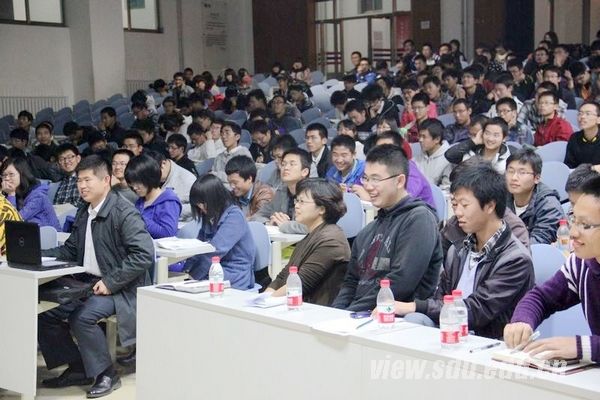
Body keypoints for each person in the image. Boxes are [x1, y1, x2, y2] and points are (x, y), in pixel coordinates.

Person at [37, 155, 154, 398]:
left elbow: (144, 254)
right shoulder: (85, 211)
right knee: (45, 313)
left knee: (82, 316)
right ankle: (78, 367)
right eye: (79, 180)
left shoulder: (123, 212)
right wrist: (37, 256)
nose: (82, 186)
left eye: (87, 180)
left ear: (106, 180)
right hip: (87, 284)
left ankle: (107, 374)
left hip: (121, 288)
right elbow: (70, 250)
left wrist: (110, 282)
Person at [377, 162, 534, 339]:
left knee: (413, 315)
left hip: (489, 342)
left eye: (464, 205)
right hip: (451, 332)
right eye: (455, 204)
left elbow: (477, 311)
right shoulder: (458, 250)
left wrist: (414, 306)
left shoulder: (515, 259)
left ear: (490, 206)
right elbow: (441, 300)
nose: (458, 212)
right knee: (409, 323)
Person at [331, 145, 442, 311]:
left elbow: (401, 282)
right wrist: (337, 313)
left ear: (399, 181)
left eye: (375, 179)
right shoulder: (368, 230)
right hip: (359, 315)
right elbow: (351, 282)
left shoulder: (419, 219)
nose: (368, 186)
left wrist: (352, 313)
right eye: (365, 178)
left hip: (396, 316)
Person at [504, 175, 600, 363]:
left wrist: (580, 347)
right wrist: (522, 321)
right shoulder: (581, 264)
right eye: (573, 220)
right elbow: (541, 297)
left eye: (585, 225)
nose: (573, 233)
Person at [265, 179, 350, 306]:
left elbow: (301, 283)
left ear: (322, 209)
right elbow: (283, 276)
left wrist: (266, 302)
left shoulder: (331, 240)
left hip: (320, 310)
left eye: (302, 202)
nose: (296, 206)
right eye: (297, 200)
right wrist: (262, 298)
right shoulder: (311, 235)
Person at [183, 175, 255, 289]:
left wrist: (192, 276)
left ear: (215, 199)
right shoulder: (209, 214)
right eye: (198, 205)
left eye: (203, 203)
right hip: (213, 269)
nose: (201, 208)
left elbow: (215, 251)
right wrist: (185, 271)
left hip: (234, 272)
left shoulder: (234, 216)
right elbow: (199, 247)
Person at [505, 148, 565, 244]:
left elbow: (538, 243)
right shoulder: (501, 196)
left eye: (522, 172)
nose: (514, 177)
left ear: (536, 178)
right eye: (510, 171)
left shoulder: (549, 206)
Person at [251, 148, 311, 234]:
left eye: (292, 164)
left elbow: (311, 226)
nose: (286, 168)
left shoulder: (312, 194)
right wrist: (269, 223)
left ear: (304, 172)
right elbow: (257, 216)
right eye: (283, 164)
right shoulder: (280, 192)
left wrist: (285, 225)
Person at [124, 154, 181, 239]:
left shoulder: (169, 201)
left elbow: (168, 233)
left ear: (149, 178)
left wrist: (137, 217)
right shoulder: (141, 200)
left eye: (138, 182)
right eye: (132, 183)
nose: (135, 187)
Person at [374, 131, 436, 209]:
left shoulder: (409, 169)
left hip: (420, 214)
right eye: (378, 149)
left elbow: (405, 199)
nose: (381, 153)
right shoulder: (382, 168)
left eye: (387, 149)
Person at [1, 157, 60, 230]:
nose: (7, 178)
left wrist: (11, 194)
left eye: (11, 174)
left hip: (49, 235)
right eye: (4, 175)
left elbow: (14, 222)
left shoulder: (38, 196)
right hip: (26, 235)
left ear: (22, 174)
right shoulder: (13, 193)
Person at [444, 117, 511, 174]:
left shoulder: (507, 160)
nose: (490, 138)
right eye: (487, 133)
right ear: (482, 133)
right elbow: (449, 155)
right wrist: (474, 141)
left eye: (496, 135)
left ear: (504, 138)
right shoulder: (472, 150)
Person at [147, 150, 196, 221]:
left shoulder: (187, 179)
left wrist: (169, 210)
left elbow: (196, 206)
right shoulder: (161, 174)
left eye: (153, 175)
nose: (152, 179)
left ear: (163, 164)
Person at [414, 118, 451, 189]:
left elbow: (446, 188)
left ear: (437, 139)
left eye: (424, 137)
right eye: (420, 136)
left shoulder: (449, 159)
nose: (420, 140)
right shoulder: (416, 160)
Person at [564, 102, 600, 169]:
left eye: (588, 114)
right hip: (579, 175)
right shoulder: (574, 138)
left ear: (598, 119)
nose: (582, 117)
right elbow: (569, 165)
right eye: (580, 113)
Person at [54, 144, 85, 208]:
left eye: (70, 157)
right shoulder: (61, 183)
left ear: (78, 158)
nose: (66, 161)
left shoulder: (86, 179)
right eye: (62, 159)